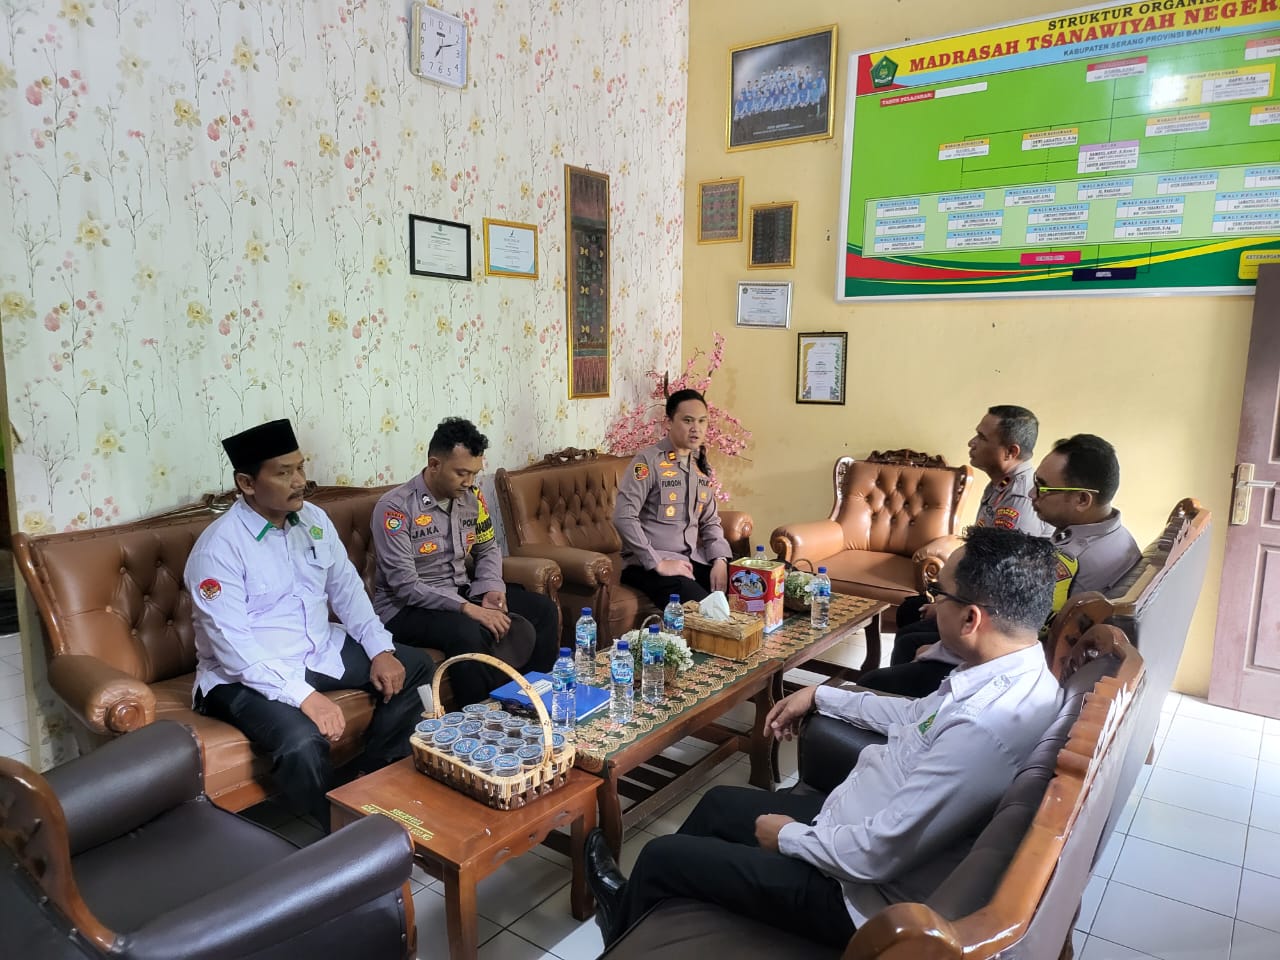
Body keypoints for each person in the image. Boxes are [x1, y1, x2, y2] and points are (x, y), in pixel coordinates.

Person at [584, 526, 1064, 948]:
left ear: (971, 618)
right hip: (845, 826)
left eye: (940, 593)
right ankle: (647, 913)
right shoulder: (1010, 676)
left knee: (662, 855)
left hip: (850, 897)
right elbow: (912, 716)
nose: (932, 602)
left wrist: (787, 836)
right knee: (717, 805)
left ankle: (623, 923)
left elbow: (874, 856)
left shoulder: (982, 727)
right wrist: (821, 695)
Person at [186, 418, 433, 828]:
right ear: (247, 483)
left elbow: (348, 591)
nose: (300, 481)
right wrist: (304, 697)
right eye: (284, 473)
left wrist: (380, 650)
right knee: (300, 741)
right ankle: (335, 832)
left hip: (318, 648)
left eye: (300, 467)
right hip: (243, 674)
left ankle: (366, 784)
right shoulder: (218, 549)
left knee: (415, 666)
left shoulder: (314, 520)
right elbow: (234, 648)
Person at [861, 431, 1140, 698]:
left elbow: (1020, 634)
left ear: (1082, 499)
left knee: (886, 668)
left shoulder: (1079, 560)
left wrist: (939, 651)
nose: (1032, 494)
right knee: (914, 615)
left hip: (1009, 670)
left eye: (1043, 487)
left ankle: (908, 711)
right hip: (1008, 640)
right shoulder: (1109, 538)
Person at [372, 417, 559, 707]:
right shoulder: (395, 509)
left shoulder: (472, 499)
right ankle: (482, 716)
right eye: (461, 473)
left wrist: (491, 588)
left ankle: (532, 700)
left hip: (461, 592)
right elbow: (405, 585)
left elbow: (487, 548)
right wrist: (469, 608)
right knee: (467, 631)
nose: (469, 482)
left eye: (474, 473)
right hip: (405, 608)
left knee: (542, 610)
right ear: (434, 464)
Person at [613, 389, 733, 608]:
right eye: (687, 420)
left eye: (702, 421)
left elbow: (710, 521)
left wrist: (720, 560)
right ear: (669, 422)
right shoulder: (646, 462)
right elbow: (624, 516)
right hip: (648, 566)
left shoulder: (700, 466)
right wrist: (658, 563)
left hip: (691, 560)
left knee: (748, 585)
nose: (696, 428)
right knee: (709, 610)